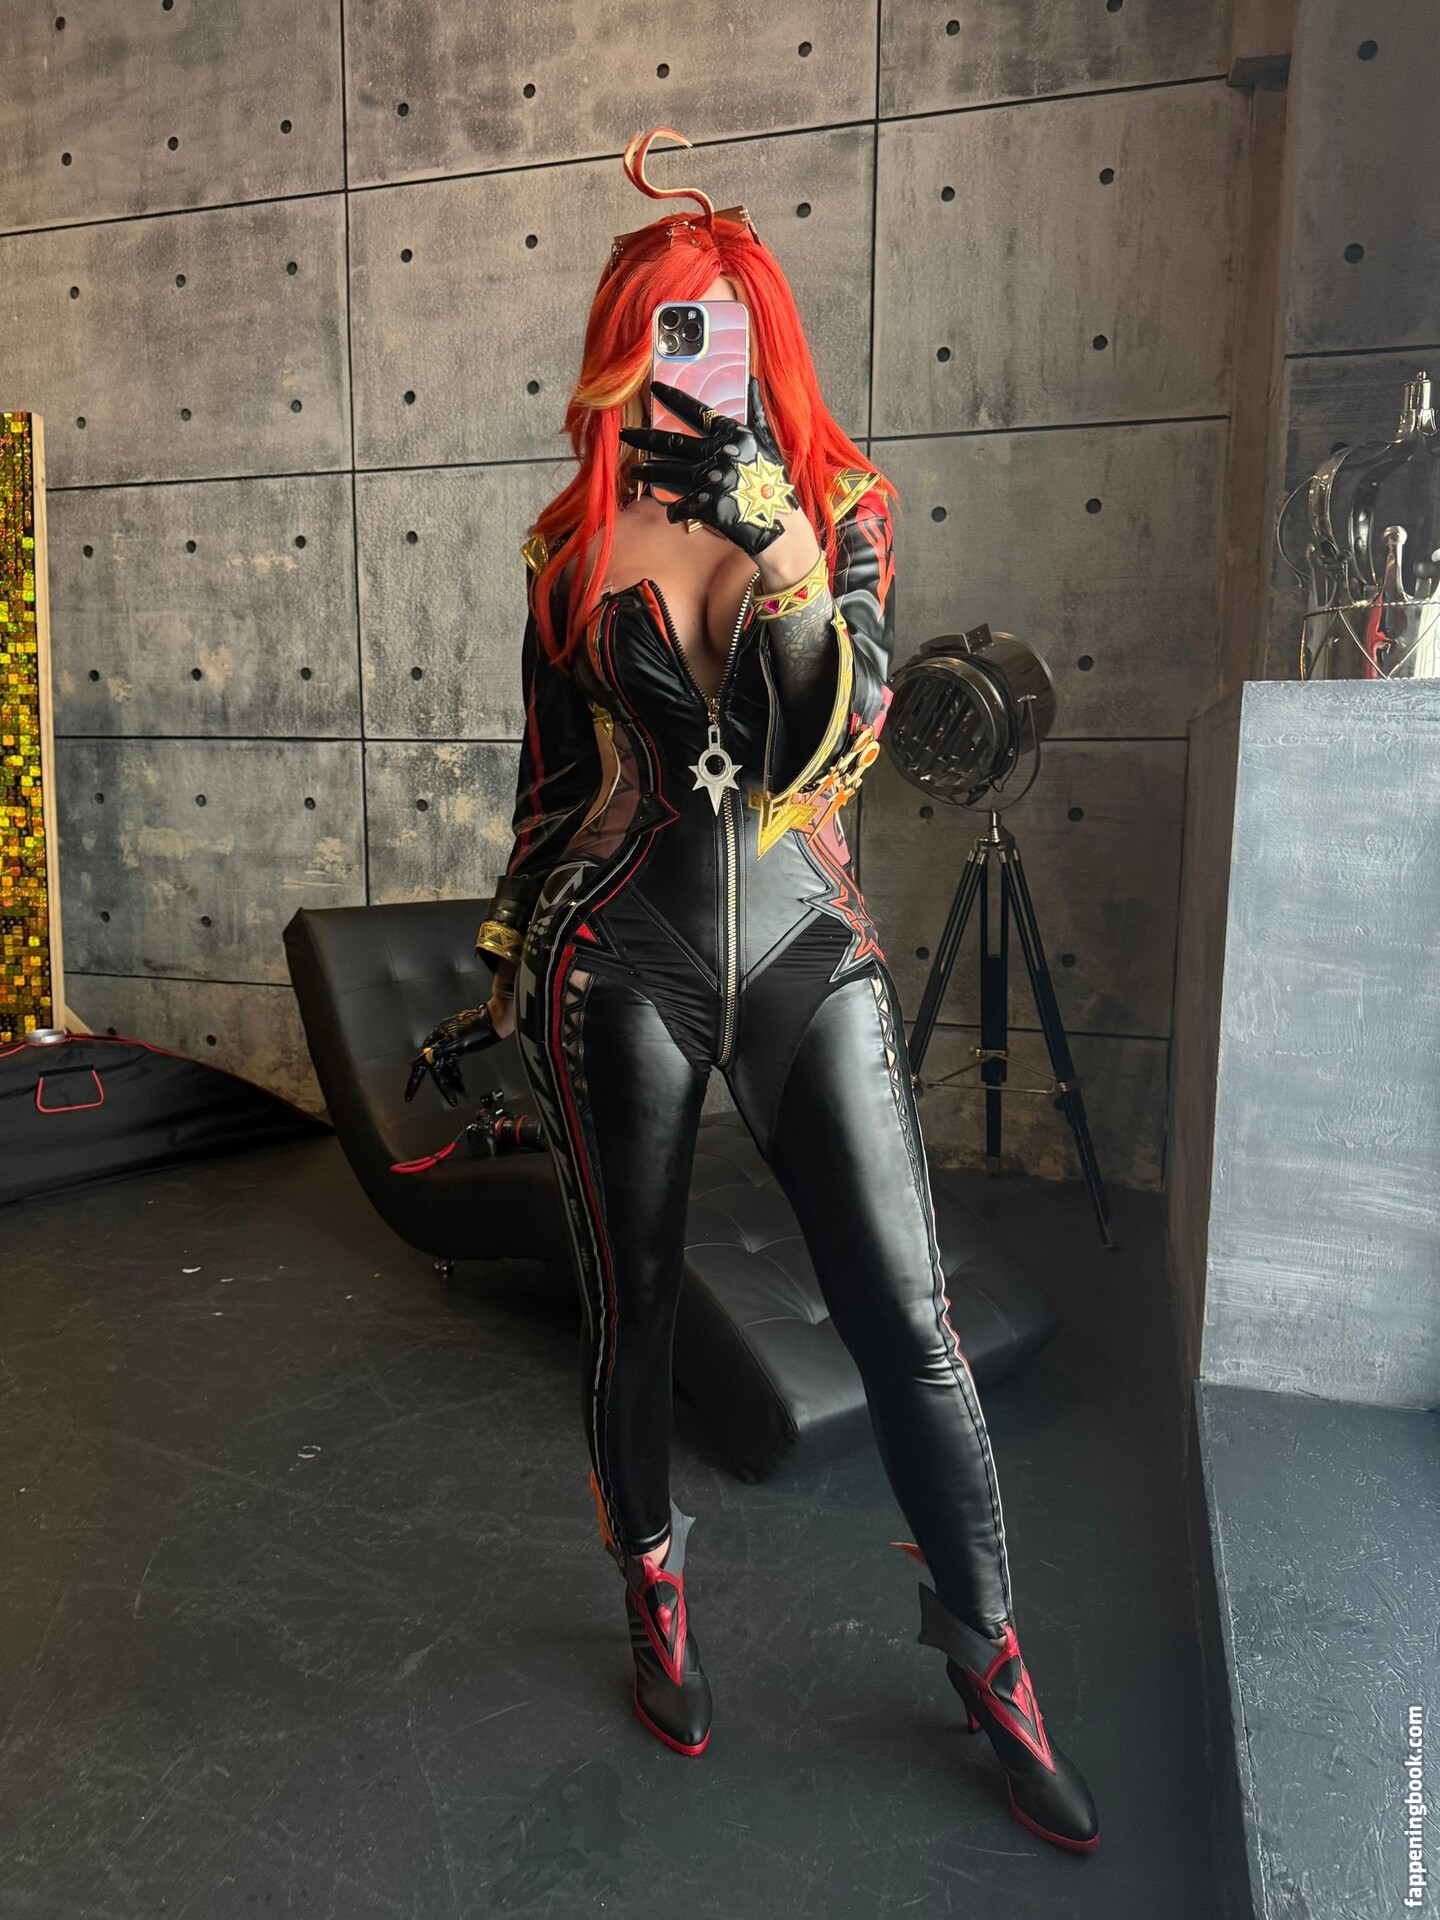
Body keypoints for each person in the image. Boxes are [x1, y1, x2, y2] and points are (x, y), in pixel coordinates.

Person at [414, 128, 1099, 1852]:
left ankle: (992, 1657)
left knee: (910, 1324)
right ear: (618, 348)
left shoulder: (841, 509)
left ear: (759, 339)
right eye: (661, 328)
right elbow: (547, 788)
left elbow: (828, 749)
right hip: (620, 954)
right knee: (632, 1306)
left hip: (804, 944)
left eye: (714, 327)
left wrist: (779, 547)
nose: (686, 355)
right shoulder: (568, 547)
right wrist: (506, 965)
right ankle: (655, 1592)